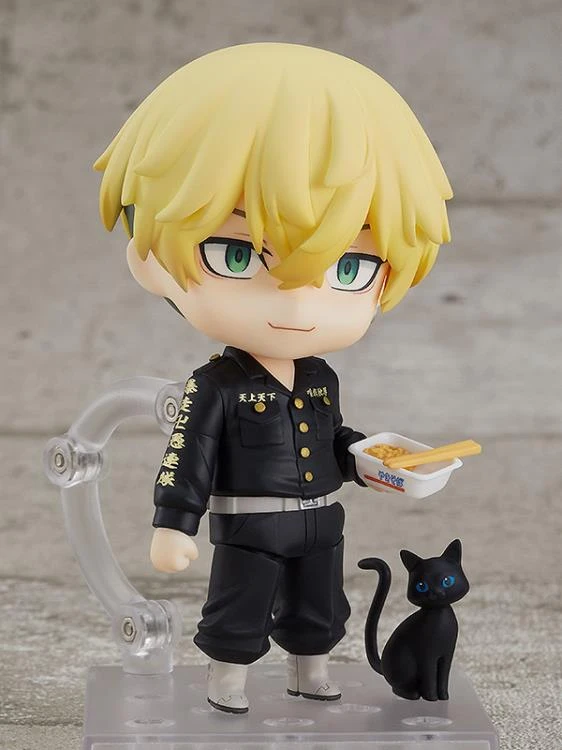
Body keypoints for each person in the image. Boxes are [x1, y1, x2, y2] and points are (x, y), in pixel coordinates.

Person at [94, 42, 452, 713]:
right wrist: (174, 525)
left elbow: (329, 436)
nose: (297, 302)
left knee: (321, 605)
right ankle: (227, 678)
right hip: (250, 526)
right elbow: (191, 454)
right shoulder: (217, 385)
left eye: (349, 267)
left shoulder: (319, 377)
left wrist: (365, 460)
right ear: (150, 260)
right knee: (240, 605)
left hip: (320, 520)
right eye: (236, 255)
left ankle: (309, 669)